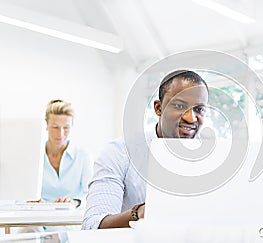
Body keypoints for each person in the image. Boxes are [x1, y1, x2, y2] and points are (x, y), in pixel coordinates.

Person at [82, 70, 209, 229]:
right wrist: (140, 213)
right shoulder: (119, 153)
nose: (190, 118)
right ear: (158, 108)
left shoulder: (213, 157)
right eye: (179, 105)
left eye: (199, 109)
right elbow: (92, 226)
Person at [18, 100, 92, 233]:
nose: (61, 134)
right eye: (55, 127)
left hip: (68, 222)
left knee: (59, 236)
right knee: (27, 233)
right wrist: (30, 201)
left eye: (66, 128)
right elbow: (21, 193)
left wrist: (74, 202)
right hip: (38, 220)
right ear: (46, 125)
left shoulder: (82, 155)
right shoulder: (34, 154)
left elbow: (91, 194)